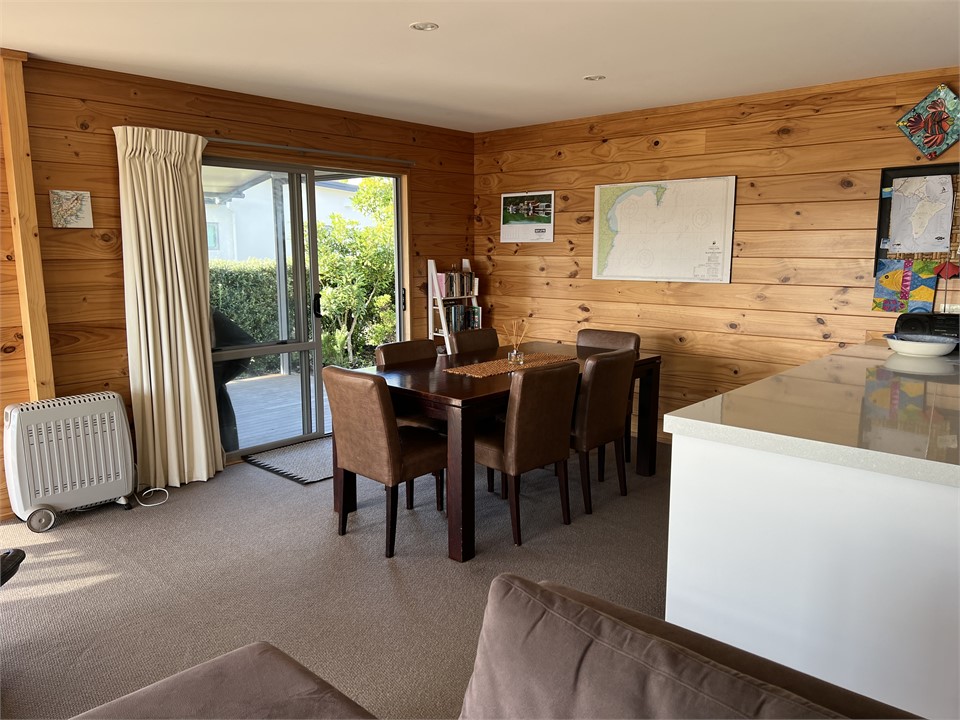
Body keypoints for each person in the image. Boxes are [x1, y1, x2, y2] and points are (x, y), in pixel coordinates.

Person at [211, 309, 254, 452]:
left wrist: (217, 378)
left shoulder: (206, 312)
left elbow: (245, 344)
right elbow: (245, 342)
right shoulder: (208, 313)